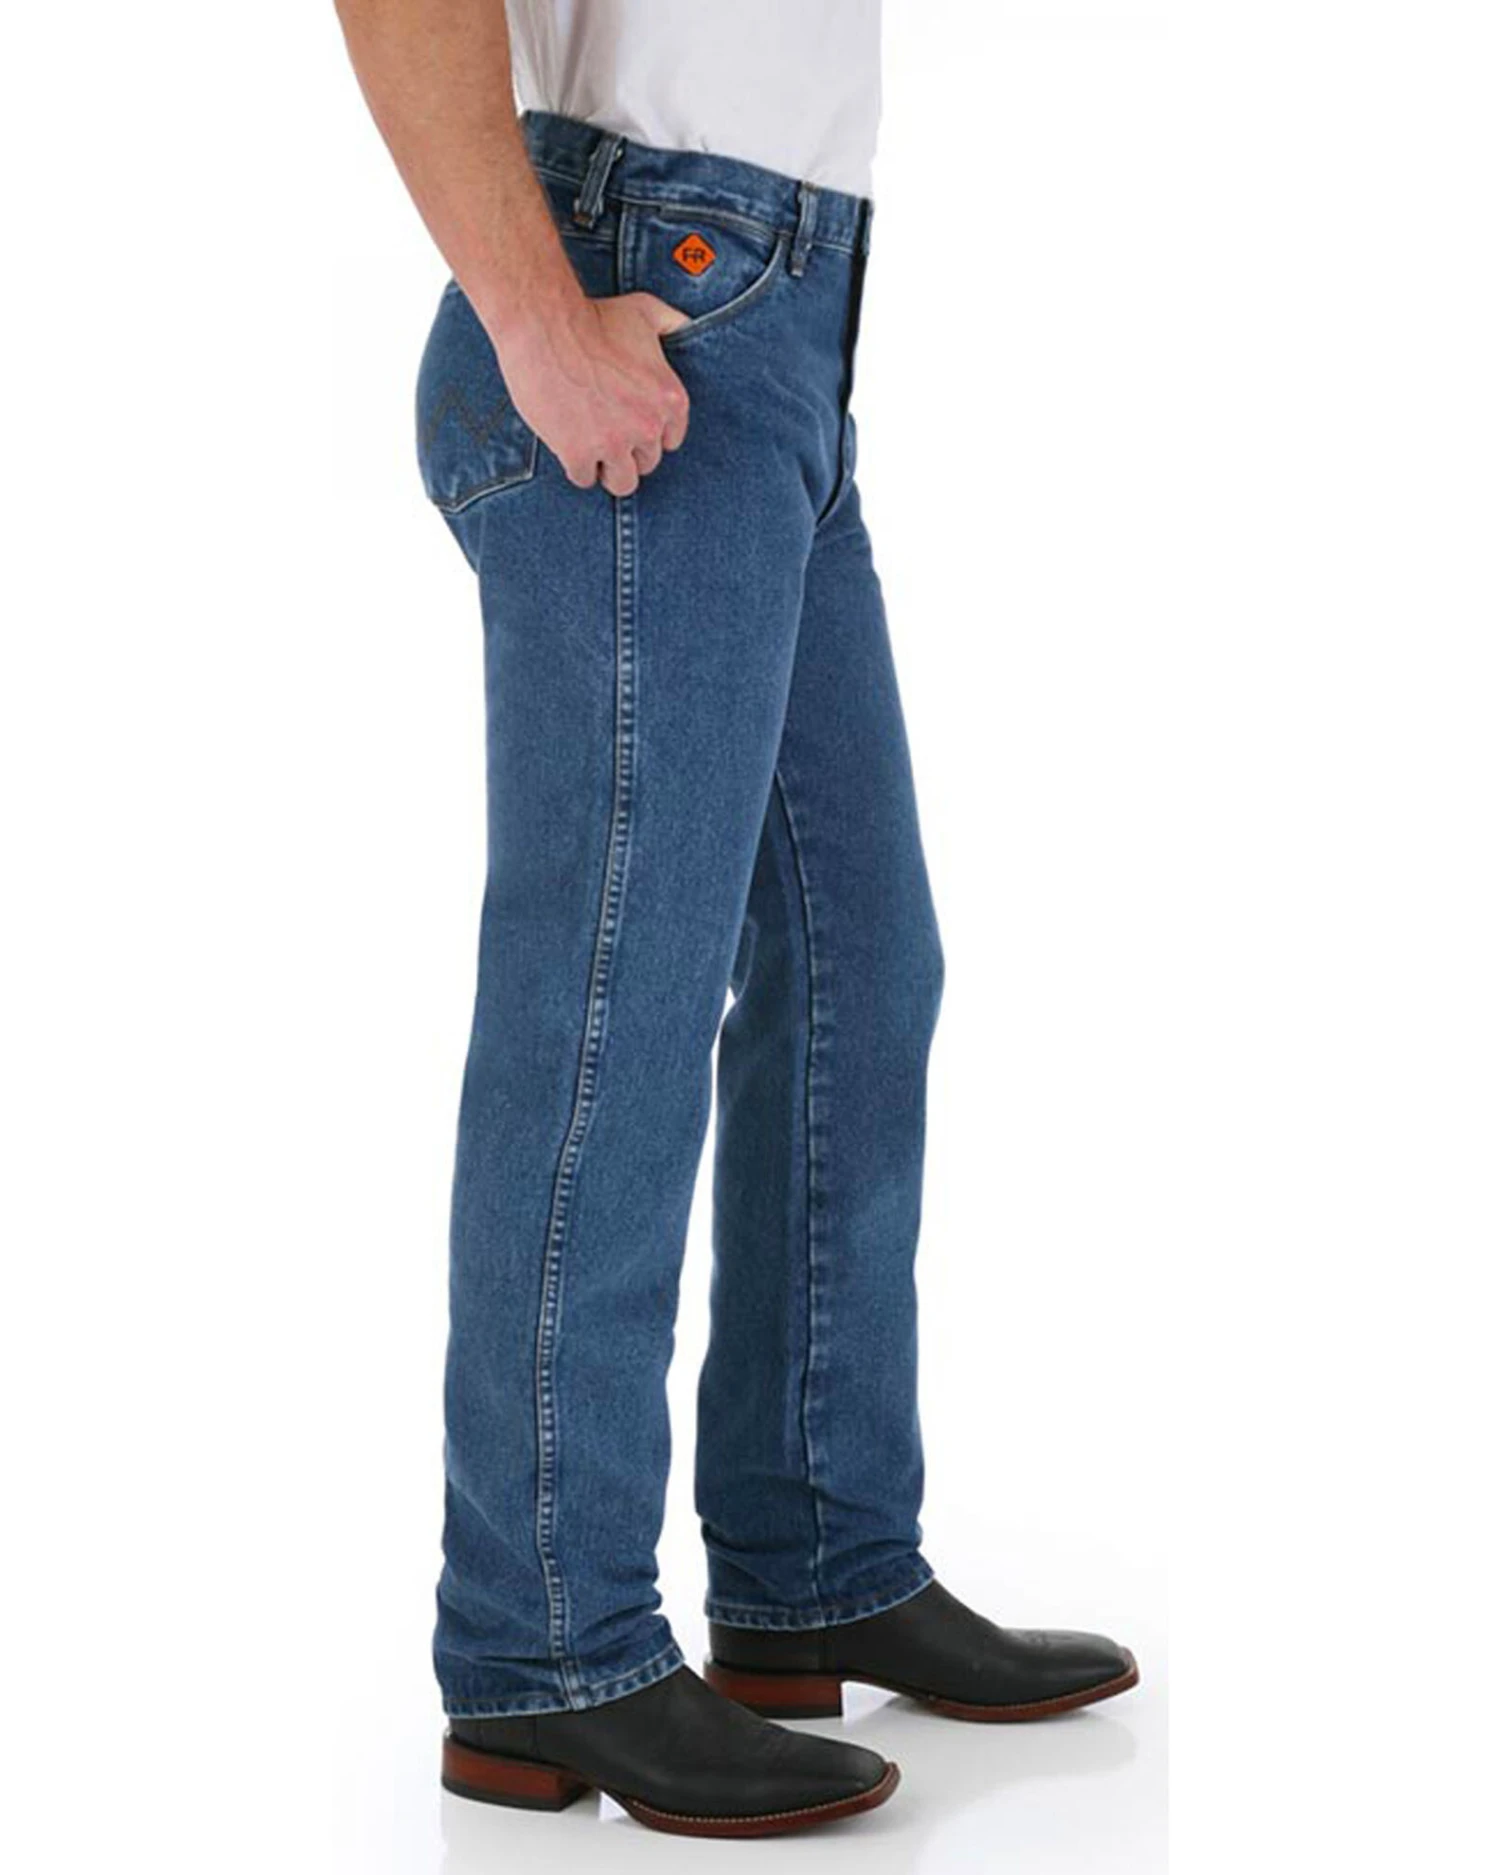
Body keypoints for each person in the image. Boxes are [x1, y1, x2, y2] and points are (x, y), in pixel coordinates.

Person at [334, 0, 1137, 1839]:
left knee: (862, 963)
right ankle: (544, 1647)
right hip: (641, 287)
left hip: (783, 325)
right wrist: (539, 321)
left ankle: (818, 1556)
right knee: (610, 1000)